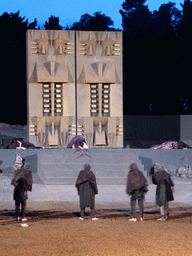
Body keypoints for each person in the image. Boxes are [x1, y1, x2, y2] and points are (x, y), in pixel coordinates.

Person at [11, 155, 33, 221]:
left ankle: (18, 216)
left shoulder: (16, 173)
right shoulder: (26, 172)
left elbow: (13, 182)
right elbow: (29, 182)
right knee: (23, 205)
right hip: (23, 191)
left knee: (17, 205)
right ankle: (23, 217)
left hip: (16, 190)